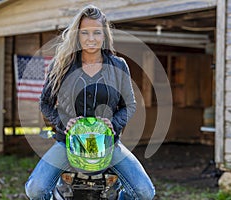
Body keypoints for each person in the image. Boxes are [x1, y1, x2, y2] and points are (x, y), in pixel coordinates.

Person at [25, 5, 155, 200]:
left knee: (145, 192)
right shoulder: (61, 64)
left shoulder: (118, 65)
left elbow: (130, 105)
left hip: (108, 144)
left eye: (96, 32)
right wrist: (62, 123)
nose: (91, 38)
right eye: (85, 32)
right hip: (67, 142)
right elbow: (45, 102)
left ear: (104, 35)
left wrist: (114, 124)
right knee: (36, 189)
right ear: (77, 35)